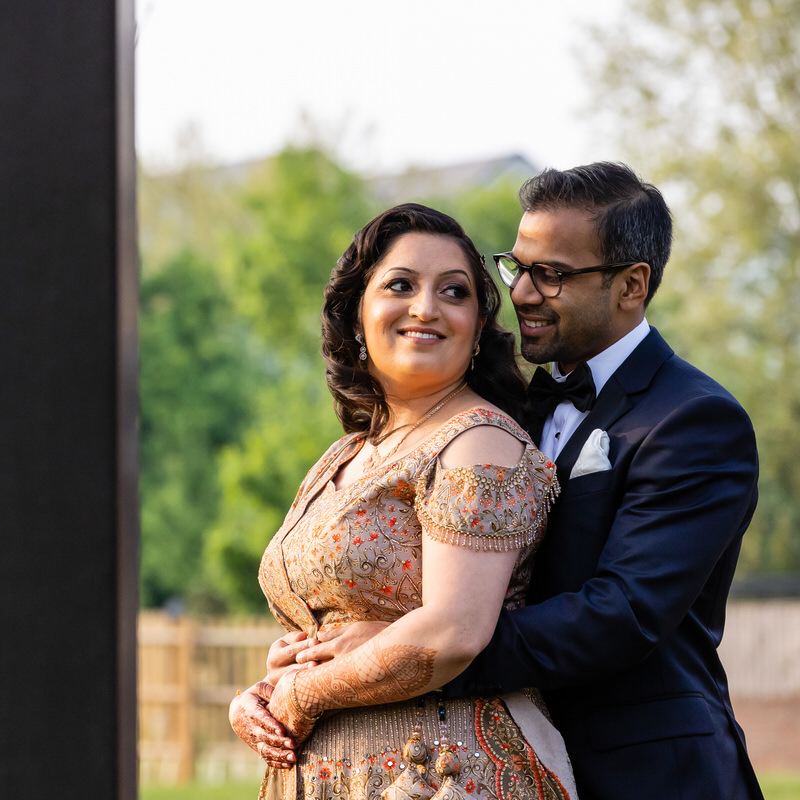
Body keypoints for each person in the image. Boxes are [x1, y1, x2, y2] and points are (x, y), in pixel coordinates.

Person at [229, 203, 577, 800]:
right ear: (356, 316)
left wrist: (303, 694)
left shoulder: (479, 441)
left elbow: (455, 630)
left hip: (445, 773)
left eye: (454, 292)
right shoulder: (342, 456)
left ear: (476, 329)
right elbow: (324, 628)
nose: (426, 308)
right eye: (400, 285)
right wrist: (261, 695)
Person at [441, 163, 763, 799]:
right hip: (511, 763)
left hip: (650, 774)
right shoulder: (504, 412)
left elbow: (624, 614)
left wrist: (431, 653)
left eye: (552, 275)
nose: (523, 293)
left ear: (632, 286)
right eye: (517, 266)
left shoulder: (695, 420)